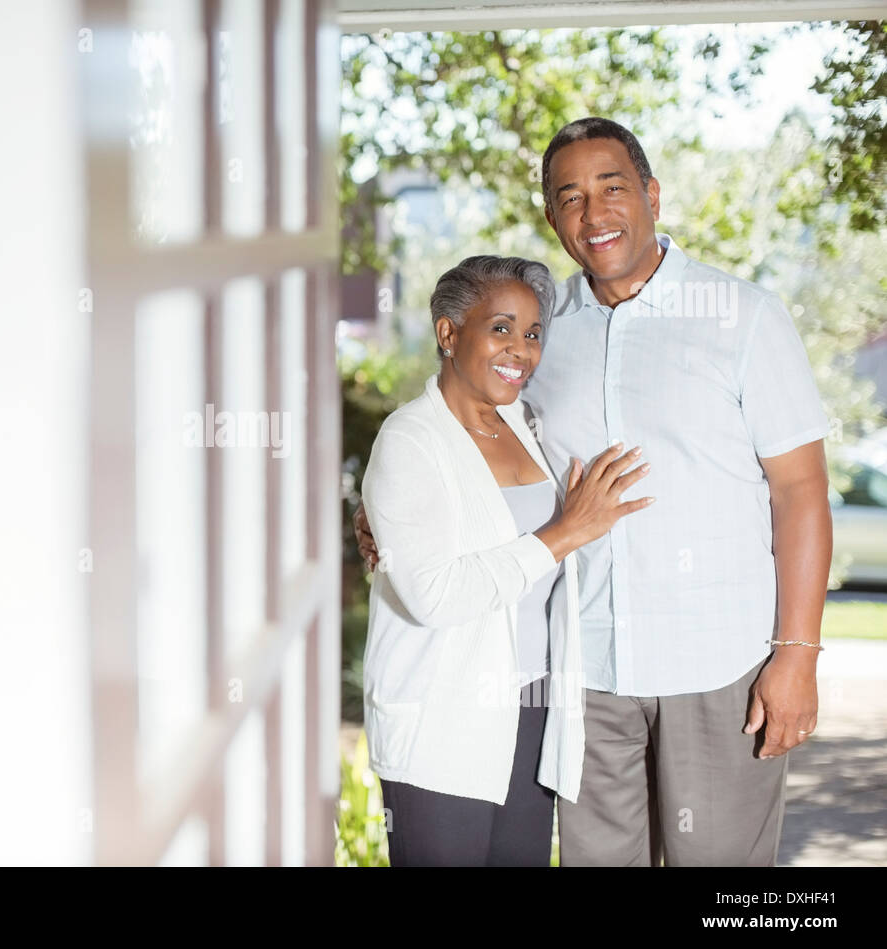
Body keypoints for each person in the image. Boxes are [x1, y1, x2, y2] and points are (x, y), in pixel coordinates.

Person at [356, 118, 832, 867]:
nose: (594, 212)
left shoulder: (744, 318)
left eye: (612, 187)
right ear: (553, 217)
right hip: (587, 683)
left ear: (651, 193)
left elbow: (801, 493)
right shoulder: (547, 337)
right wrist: (382, 511)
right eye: (569, 196)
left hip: (716, 668)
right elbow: (469, 441)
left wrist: (796, 656)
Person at [361, 254, 651, 866]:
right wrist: (566, 531)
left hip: (530, 711)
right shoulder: (411, 440)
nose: (520, 349)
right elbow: (435, 595)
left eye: (533, 333)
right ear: (448, 333)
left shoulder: (524, 424)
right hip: (443, 721)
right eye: (500, 328)